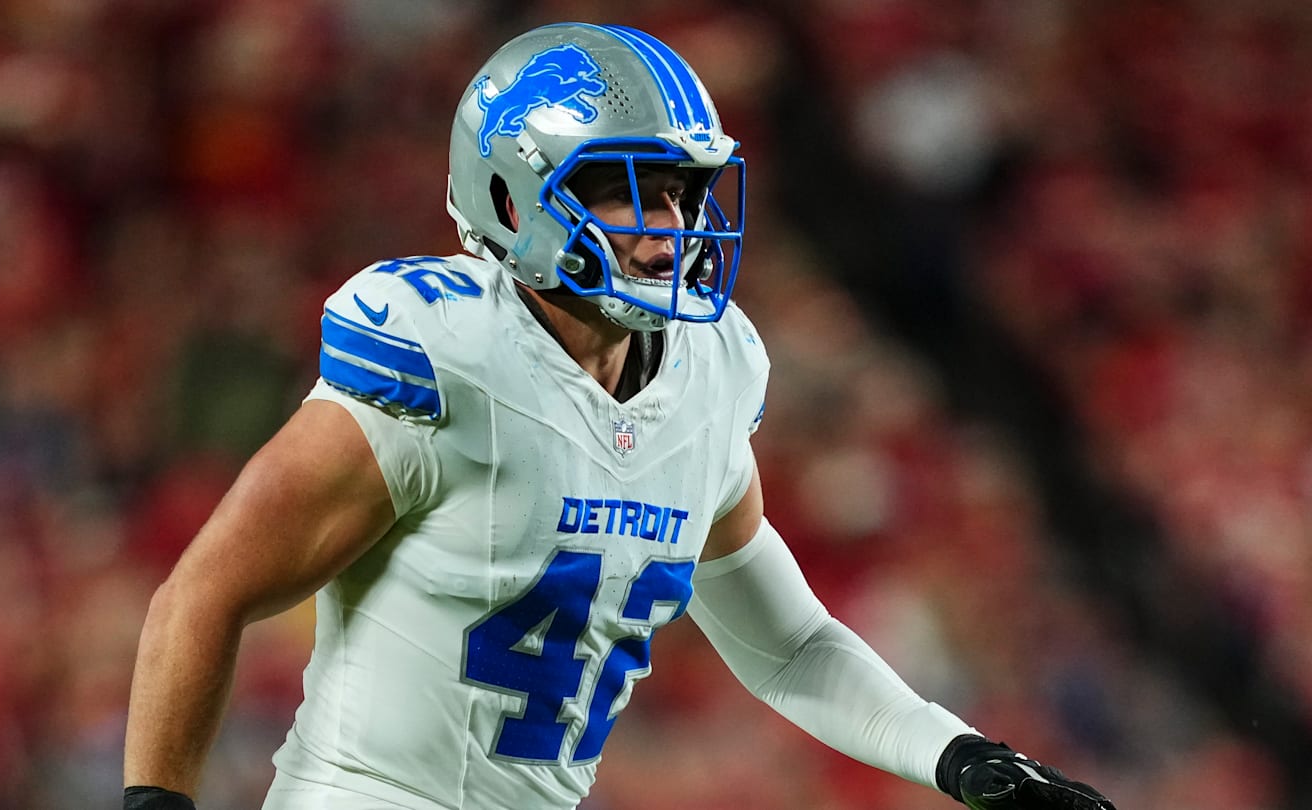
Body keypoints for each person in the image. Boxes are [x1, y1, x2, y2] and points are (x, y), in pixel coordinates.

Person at [122, 22, 1117, 810]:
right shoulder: (445, 351)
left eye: (680, 197)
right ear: (515, 201)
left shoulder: (711, 373)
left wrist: (958, 756)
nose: (671, 232)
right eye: (628, 197)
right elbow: (201, 597)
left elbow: (789, 646)